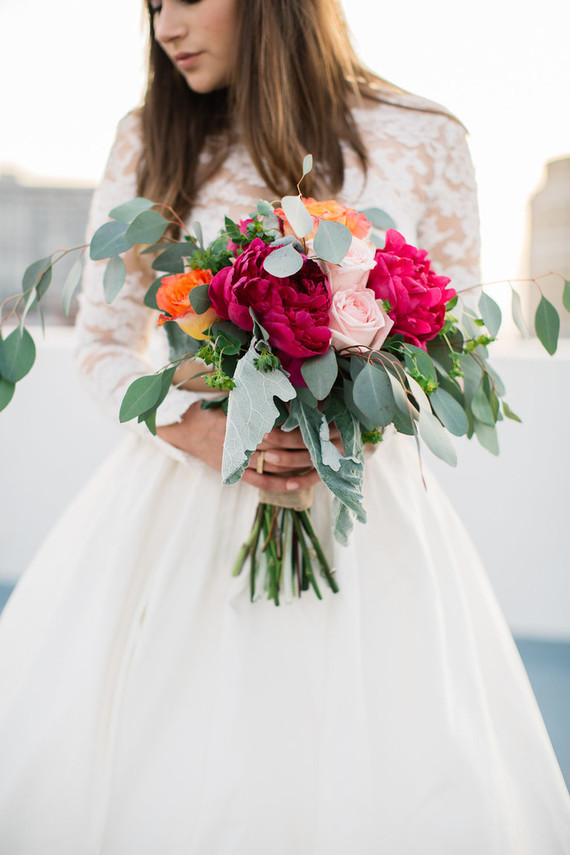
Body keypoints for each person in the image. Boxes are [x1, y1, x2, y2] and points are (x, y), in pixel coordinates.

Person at [0, 0, 569, 852]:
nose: (165, 27)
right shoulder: (149, 135)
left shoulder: (426, 137)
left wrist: (351, 427)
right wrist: (197, 428)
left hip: (361, 510)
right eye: (152, 6)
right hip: (184, 497)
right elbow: (103, 341)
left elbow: (455, 344)